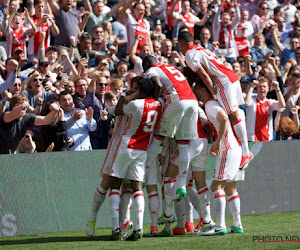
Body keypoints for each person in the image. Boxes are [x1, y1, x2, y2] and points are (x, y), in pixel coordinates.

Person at [178, 31, 253, 170]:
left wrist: (214, 92)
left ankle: (246, 153)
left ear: (180, 44)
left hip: (223, 82)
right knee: (235, 114)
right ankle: (244, 151)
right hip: (231, 76)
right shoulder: (199, 49)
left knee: (233, 115)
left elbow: (204, 75)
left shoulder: (189, 54)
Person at [85, 76, 140, 238]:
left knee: (128, 186)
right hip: (116, 146)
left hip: (134, 149)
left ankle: (123, 222)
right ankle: (92, 217)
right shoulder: (126, 103)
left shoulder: (141, 104)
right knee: (107, 183)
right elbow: (115, 110)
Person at [108, 78, 163, 241]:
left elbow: (118, 111)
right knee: (137, 187)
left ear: (140, 90)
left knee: (115, 185)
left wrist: (123, 98)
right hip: (142, 149)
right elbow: (157, 90)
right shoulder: (159, 105)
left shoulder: (135, 105)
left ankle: (116, 228)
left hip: (126, 145)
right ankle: (139, 228)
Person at [143, 55, 199, 202]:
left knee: (158, 139)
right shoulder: (171, 67)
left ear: (146, 65)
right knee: (183, 144)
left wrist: (153, 100)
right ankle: (182, 185)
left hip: (176, 100)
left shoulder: (152, 70)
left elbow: (158, 85)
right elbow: (190, 73)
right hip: (192, 101)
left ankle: (143, 174)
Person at [194, 80, 243, 236]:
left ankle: (220, 225)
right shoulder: (215, 103)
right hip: (235, 147)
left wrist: (218, 141)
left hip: (227, 149)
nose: (195, 92)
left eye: (196, 89)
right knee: (230, 187)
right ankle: (237, 224)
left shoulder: (210, 105)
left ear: (202, 89)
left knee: (216, 186)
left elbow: (223, 118)